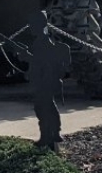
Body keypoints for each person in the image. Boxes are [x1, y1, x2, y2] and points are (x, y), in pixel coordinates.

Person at [24, 11, 72, 150]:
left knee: (43, 107)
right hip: (45, 79)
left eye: (33, 25)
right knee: (48, 105)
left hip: (45, 79)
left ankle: (48, 135)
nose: (31, 28)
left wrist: (28, 58)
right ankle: (54, 132)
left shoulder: (41, 42)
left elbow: (41, 61)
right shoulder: (41, 41)